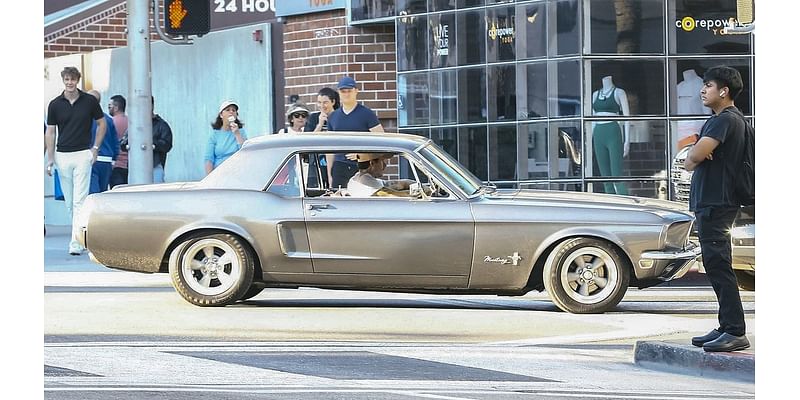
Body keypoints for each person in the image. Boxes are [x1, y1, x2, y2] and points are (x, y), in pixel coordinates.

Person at [684, 65, 750, 353]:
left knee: (718, 266)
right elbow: (698, 155)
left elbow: (692, 157)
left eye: (708, 85)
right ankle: (725, 325)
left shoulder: (723, 121)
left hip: (716, 203)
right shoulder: (733, 120)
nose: (703, 90)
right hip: (717, 202)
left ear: (723, 91)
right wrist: (699, 152)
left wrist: (696, 152)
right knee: (717, 265)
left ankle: (734, 330)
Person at [45, 66, 107, 255]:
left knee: (79, 200)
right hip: (62, 156)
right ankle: (81, 237)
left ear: (78, 80)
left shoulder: (89, 101)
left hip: (82, 154)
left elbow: (102, 123)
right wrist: (50, 158)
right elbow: (50, 131)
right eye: (67, 79)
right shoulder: (55, 104)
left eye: (73, 79)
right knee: (70, 202)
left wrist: (95, 149)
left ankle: (75, 242)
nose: (70, 82)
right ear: (63, 81)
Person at [326, 76, 385, 188]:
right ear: (339, 93)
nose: (346, 94)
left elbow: (382, 140)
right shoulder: (333, 117)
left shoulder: (367, 114)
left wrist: (362, 155)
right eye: (343, 91)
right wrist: (329, 174)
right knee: (340, 199)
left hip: (363, 168)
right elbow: (329, 148)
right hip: (339, 167)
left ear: (356, 91)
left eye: (349, 91)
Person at [590, 75, 630, 195]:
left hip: (613, 131)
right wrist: (590, 139)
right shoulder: (595, 94)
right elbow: (592, 119)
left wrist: (627, 141)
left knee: (616, 174)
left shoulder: (619, 92)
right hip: (598, 132)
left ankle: (627, 203)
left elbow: (627, 117)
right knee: (605, 177)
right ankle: (611, 203)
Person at [304, 87, 341, 188]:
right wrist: (319, 125)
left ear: (333, 102)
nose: (321, 106)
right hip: (316, 164)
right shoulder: (313, 118)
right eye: (319, 102)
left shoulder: (340, 117)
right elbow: (307, 142)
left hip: (337, 163)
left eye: (325, 102)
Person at [87, 90, 119, 193]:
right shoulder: (108, 119)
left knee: (93, 193)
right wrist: (113, 159)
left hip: (91, 159)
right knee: (103, 191)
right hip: (107, 161)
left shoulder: (85, 119)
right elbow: (115, 141)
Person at [205, 100, 247, 175]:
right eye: (228, 110)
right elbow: (209, 159)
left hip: (237, 172)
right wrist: (209, 178)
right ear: (221, 115)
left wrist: (237, 134)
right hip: (219, 173)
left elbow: (245, 152)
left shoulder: (241, 132)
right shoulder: (215, 135)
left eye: (233, 110)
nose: (231, 112)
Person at [346, 153, 417, 197]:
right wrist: (420, 192)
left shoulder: (359, 177)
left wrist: (418, 186)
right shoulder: (365, 181)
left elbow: (402, 183)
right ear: (372, 163)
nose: (385, 165)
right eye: (382, 161)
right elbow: (393, 195)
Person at [675, 68, 712, 150]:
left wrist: (707, 128)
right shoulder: (679, 87)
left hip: (697, 128)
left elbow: (707, 110)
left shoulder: (701, 85)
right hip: (680, 128)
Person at [108, 94, 129, 188]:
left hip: (116, 164)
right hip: (129, 165)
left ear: (116, 107)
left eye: (110, 106)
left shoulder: (111, 123)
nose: (108, 108)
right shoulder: (131, 122)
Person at [151, 97, 173, 183]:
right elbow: (123, 142)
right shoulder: (134, 125)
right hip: (136, 167)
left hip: (155, 165)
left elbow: (167, 145)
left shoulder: (161, 124)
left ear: (152, 106)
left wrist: (153, 144)